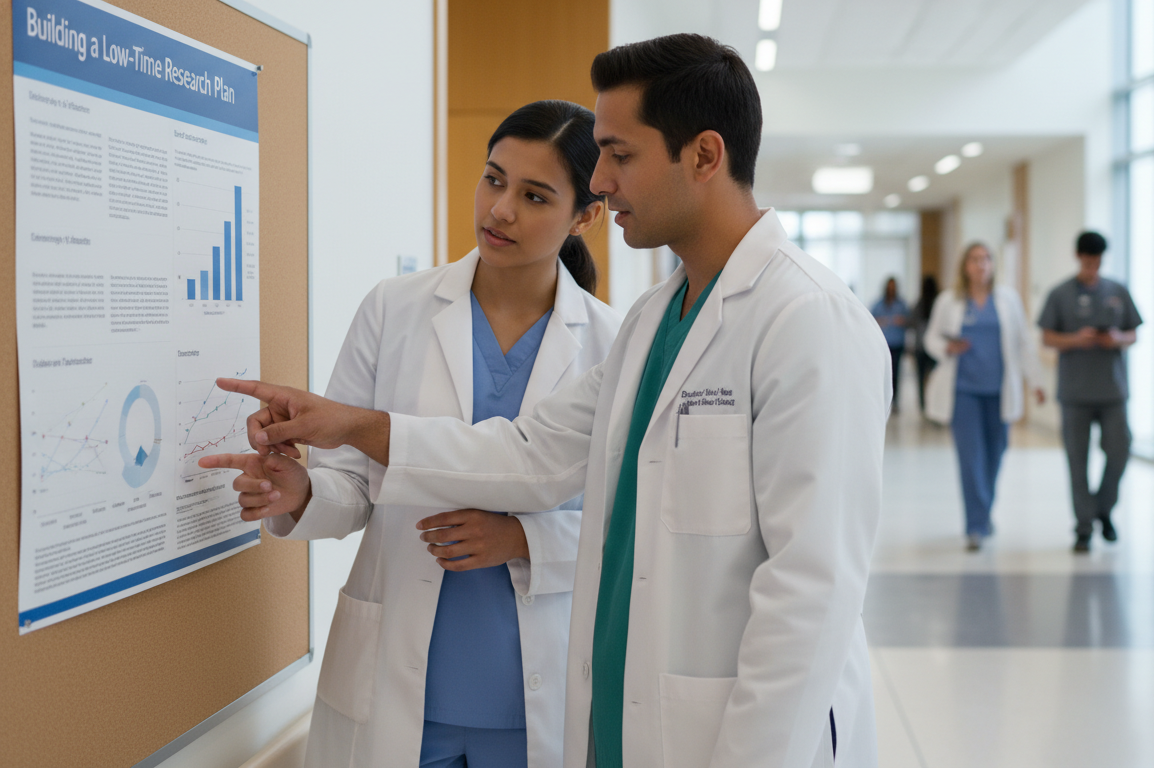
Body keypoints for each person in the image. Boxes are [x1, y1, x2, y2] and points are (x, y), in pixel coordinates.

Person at [213, 34, 888, 768]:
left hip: (730, 738)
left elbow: (811, 593)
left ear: (703, 156)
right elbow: (528, 455)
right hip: (626, 725)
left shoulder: (808, 320)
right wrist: (348, 425)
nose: (600, 179)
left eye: (620, 155)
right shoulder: (653, 325)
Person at [199, 100, 619, 768]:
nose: (500, 208)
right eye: (493, 178)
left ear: (586, 215)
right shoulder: (394, 308)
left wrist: (522, 538)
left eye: (534, 195)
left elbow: (620, 527)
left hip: (531, 694)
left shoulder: (611, 343)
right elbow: (351, 481)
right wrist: (301, 491)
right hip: (397, 686)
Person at [924, 243, 1045, 551]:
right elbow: (930, 338)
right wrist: (946, 347)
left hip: (999, 391)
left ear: (993, 265)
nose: (981, 265)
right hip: (963, 391)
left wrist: (1036, 381)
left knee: (995, 454)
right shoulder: (949, 301)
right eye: (975, 259)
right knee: (970, 458)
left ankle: (984, 510)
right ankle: (975, 525)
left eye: (986, 259)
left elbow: (1023, 343)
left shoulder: (1008, 300)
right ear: (964, 266)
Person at [1038, 231, 1142, 553]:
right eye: (1086, 260)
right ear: (1077, 256)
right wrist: (1075, 340)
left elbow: (1133, 334)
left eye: (1096, 261)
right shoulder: (1060, 294)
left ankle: (1103, 509)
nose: (1091, 266)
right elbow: (1047, 337)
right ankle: (1084, 526)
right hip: (1075, 393)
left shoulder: (1117, 291)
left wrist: (1117, 339)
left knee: (1120, 450)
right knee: (1077, 461)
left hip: (1112, 391)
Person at [871, 276, 908, 412]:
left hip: (897, 344)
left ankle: (896, 401)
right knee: (884, 374)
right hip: (883, 344)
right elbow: (869, 321)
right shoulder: (878, 305)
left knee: (896, 374)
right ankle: (884, 401)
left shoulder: (902, 305)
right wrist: (879, 321)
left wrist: (903, 321)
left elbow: (910, 321)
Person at [912, 274, 940, 414]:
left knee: (921, 378)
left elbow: (911, 323)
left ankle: (924, 406)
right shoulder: (938, 304)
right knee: (934, 377)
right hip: (930, 348)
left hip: (921, 347)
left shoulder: (919, 304)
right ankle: (932, 405)